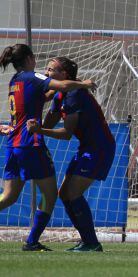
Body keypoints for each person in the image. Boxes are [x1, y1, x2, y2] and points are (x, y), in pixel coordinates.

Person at [0, 44, 95, 251]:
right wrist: (84, 83)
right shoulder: (32, 76)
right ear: (30, 58)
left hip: (13, 144)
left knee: (8, 197)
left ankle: (33, 242)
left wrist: (52, 92)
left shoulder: (15, 81)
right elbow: (63, 86)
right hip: (31, 145)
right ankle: (32, 242)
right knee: (51, 195)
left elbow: (41, 97)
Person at [28, 56, 114, 252]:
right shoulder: (60, 95)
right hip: (87, 148)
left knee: (73, 193)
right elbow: (48, 123)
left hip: (99, 148)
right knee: (65, 194)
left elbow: (66, 134)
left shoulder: (74, 94)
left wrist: (38, 131)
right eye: (47, 69)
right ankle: (87, 241)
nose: (47, 73)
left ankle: (92, 242)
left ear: (64, 75)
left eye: (51, 70)